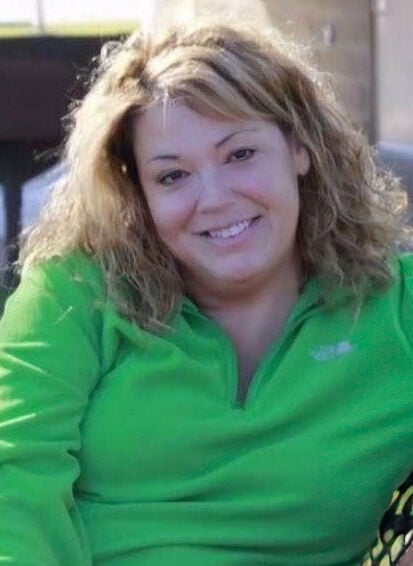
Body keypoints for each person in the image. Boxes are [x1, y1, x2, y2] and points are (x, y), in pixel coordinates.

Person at [0, 18, 412, 566]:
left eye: (240, 154)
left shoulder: (399, 305)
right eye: (172, 176)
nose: (214, 199)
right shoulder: (73, 294)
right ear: (138, 190)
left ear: (299, 147)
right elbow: (13, 479)